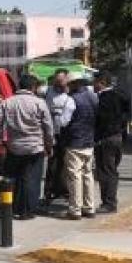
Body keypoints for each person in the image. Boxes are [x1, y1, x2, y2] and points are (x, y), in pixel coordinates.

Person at [0, 74, 54, 220]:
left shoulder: (7, 102)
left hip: (13, 147)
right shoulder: (39, 103)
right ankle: (26, 211)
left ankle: (8, 208)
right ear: (33, 87)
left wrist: (1, 140)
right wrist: (49, 144)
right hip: (35, 148)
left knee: (11, 178)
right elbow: (48, 127)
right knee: (31, 179)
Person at [59, 72, 99, 220]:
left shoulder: (71, 100)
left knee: (74, 176)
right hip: (89, 141)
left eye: (69, 84)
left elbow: (63, 121)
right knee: (88, 174)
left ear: (73, 84)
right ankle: (89, 207)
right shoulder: (93, 97)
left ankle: (75, 210)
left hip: (75, 142)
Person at [93, 71, 126, 213]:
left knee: (106, 171)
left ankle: (109, 203)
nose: (93, 86)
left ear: (101, 83)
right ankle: (109, 201)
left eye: (95, 82)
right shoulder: (120, 95)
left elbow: (102, 120)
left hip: (105, 139)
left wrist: (97, 138)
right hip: (117, 137)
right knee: (111, 170)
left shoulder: (104, 99)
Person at [43, 69, 71, 203]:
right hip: (52, 130)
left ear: (67, 79)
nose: (59, 83)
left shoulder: (70, 92)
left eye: (61, 81)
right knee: (52, 162)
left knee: (65, 162)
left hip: (66, 131)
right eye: (57, 80)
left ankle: (65, 191)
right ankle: (49, 191)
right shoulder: (48, 91)